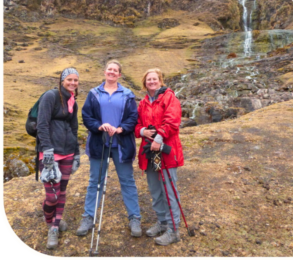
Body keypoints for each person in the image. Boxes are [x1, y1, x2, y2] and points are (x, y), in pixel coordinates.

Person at [76, 60, 142, 237]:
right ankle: (88, 217)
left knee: (127, 181)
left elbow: (133, 117)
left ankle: (134, 218)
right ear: (105, 72)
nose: (112, 72)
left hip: (121, 145)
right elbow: (86, 115)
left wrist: (121, 128)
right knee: (94, 182)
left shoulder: (127, 94)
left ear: (119, 74)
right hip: (100, 144)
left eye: (115, 70)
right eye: (109, 69)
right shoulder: (94, 93)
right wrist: (100, 126)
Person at [135, 68, 184, 246]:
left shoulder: (169, 97)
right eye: (149, 80)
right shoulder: (143, 103)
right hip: (150, 153)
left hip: (165, 150)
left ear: (160, 81)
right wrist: (142, 131)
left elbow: (173, 120)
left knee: (169, 190)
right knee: (155, 189)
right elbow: (137, 125)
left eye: (155, 79)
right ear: (144, 83)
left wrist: (159, 137)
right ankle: (162, 222)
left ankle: (173, 229)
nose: (152, 82)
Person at [37, 68, 80, 249]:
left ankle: (55, 227)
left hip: (68, 152)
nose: (72, 83)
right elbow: (42, 125)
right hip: (49, 153)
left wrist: (77, 152)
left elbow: (74, 128)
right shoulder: (50, 96)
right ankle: (50, 220)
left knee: (62, 190)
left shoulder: (73, 102)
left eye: (76, 80)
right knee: (51, 196)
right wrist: (47, 152)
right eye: (69, 79)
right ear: (62, 80)